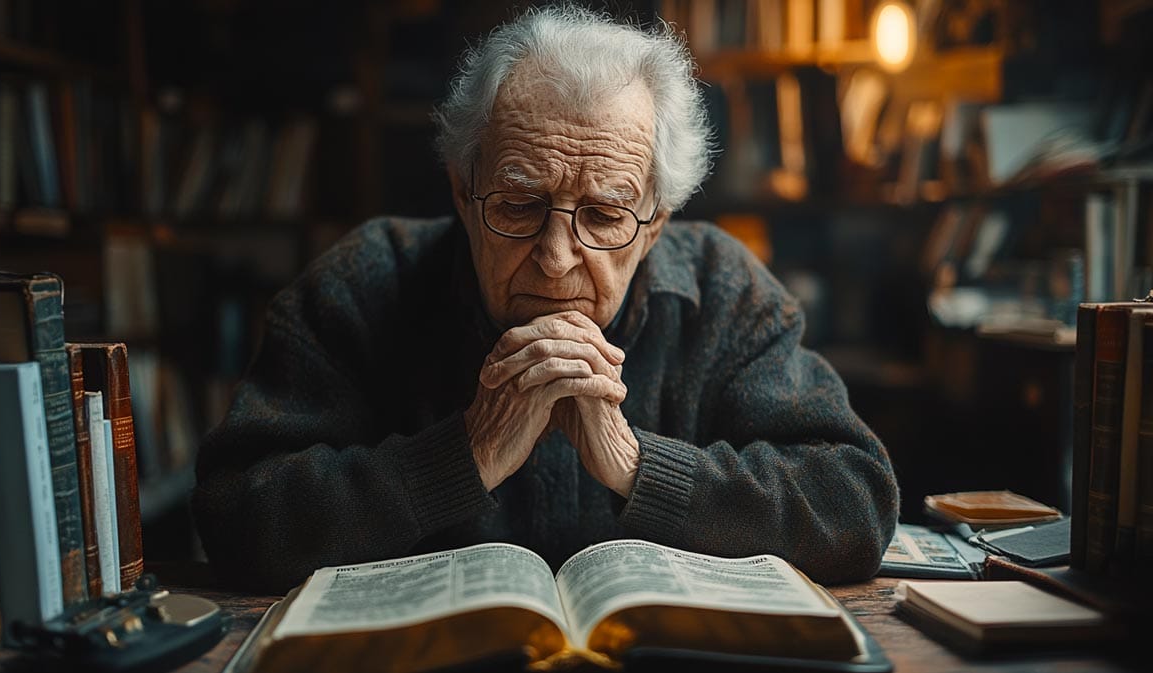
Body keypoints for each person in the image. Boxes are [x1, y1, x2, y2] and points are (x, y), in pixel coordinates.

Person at [192, 5, 898, 593]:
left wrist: (638, 466)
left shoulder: (724, 288)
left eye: (604, 214)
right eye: (519, 203)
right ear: (461, 191)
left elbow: (855, 501)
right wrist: (460, 457)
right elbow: (232, 516)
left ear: (656, 224)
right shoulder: (362, 282)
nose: (558, 257)